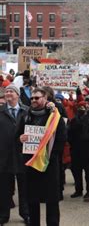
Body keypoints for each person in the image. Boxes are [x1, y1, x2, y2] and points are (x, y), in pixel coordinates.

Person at [18, 88, 66, 226]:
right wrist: (21, 139)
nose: (33, 100)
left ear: (45, 99)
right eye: (32, 98)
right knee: (32, 201)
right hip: (30, 165)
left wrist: (47, 154)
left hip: (48, 165)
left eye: (37, 98)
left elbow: (62, 138)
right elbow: (17, 137)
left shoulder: (54, 117)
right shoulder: (26, 116)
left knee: (51, 201)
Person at [0, 85, 29, 225]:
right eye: (6, 92)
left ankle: (26, 214)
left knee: (25, 187)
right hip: (3, 157)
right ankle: (3, 215)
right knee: (4, 189)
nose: (8, 93)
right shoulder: (0, 111)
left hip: (22, 156)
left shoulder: (27, 111)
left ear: (18, 95)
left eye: (11, 91)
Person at [67, 101, 89, 199]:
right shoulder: (73, 120)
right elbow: (69, 134)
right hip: (76, 149)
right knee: (77, 171)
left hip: (87, 150)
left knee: (88, 172)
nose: (82, 109)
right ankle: (79, 189)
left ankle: (88, 191)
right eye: (80, 107)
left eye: (83, 107)